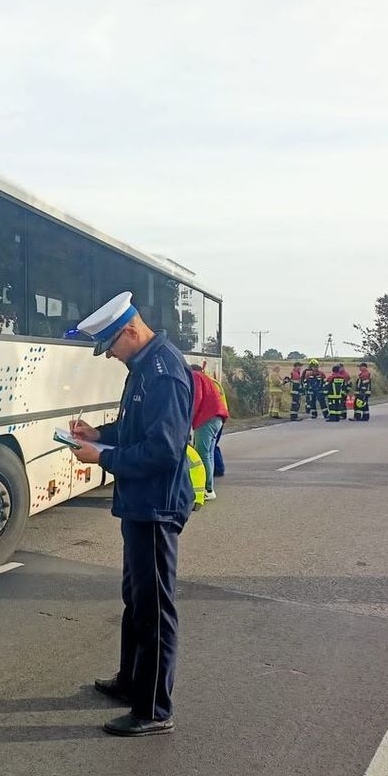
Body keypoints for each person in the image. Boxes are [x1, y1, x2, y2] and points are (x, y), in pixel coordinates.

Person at [65, 291, 193, 737]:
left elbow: (163, 449)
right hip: (140, 503)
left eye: (111, 347)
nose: (111, 357)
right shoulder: (143, 366)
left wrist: (101, 458)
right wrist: (101, 434)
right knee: (135, 598)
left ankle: (154, 709)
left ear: (131, 330)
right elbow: (135, 427)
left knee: (154, 607)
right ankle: (130, 680)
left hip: (156, 505)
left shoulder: (164, 373)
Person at [189, 364, 228, 500]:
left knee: (202, 454)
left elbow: (196, 398)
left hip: (207, 419)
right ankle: (209, 488)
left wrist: (188, 419)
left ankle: (207, 489)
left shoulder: (195, 376)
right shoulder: (206, 378)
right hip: (217, 418)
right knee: (209, 454)